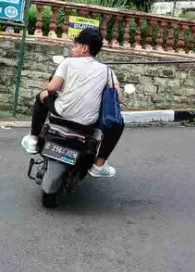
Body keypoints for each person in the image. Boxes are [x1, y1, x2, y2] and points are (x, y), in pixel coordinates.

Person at [20, 26, 123, 178]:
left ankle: (33, 138)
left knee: (41, 95)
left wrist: (52, 87)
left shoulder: (67, 63)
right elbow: (118, 98)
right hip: (88, 122)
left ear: (85, 48)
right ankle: (99, 165)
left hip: (62, 113)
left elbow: (52, 88)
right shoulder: (107, 71)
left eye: (75, 46)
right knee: (117, 123)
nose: (72, 49)